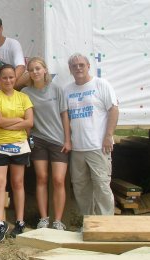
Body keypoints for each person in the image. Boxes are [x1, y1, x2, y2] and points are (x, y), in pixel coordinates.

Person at [64, 53, 118, 216]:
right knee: (80, 187)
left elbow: (113, 109)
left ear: (88, 66)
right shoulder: (68, 90)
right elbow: (65, 117)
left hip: (98, 146)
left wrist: (108, 136)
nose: (78, 68)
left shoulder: (101, 84)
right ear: (70, 69)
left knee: (101, 185)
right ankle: (88, 222)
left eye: (81, 65)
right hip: (78, 148)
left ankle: (105, 225)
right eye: (74, 66)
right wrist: (68, 140)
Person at [21, 57, 71, 230]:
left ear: (45, 70)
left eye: (38, 68)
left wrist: (67, 139)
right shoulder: (26, 92)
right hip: (38, 140)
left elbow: (64, 115)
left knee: (58, 180)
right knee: (41, 178)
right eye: (31, 69)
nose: (35, 72)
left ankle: (58, 220)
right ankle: (43, 218)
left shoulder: (57, 89)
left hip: (58, 140)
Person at [0, 64, 33, 243]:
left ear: (15, 78)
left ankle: (20, 222)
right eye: (4, 77)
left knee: (18, 183)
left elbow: (30, 122)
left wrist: (11, 123)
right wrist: (17, 120)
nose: (8, 80)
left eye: (11, 77)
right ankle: (0, 223)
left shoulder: (24, 97)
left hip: (19, 145)